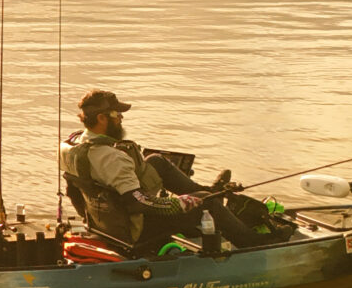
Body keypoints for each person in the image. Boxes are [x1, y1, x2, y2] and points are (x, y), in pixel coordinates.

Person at [60, 89, 247, 259]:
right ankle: (254, 242)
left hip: (104, 223)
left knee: (156, 161)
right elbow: (137, 202)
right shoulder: (113, 158)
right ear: (101, 118)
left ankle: (214, 192)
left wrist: (89, 219)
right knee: (208, 203)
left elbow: (73, 191)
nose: (121, 118)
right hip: (135, 230)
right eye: (116, 114)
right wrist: (178, 204)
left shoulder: (70, 148)